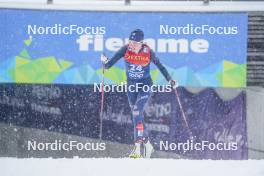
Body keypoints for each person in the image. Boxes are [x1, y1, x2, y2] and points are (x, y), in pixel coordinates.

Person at [101, 29, 177, 158]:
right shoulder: (125, 49)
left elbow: (161, 67)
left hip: (145, 85)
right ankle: (147, 143)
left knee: (136, 111)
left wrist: (170, 79)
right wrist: (104, 61)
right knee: (137, 116)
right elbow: (108, 65)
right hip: (131, 87)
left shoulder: (148, 52)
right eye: (130, 42)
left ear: (142, 43)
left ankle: (137, 150)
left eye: (135, 43)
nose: (132, 45)